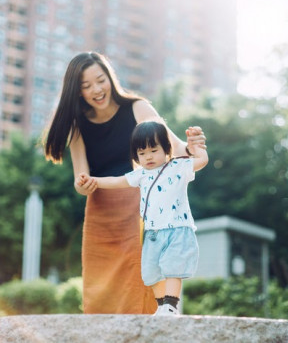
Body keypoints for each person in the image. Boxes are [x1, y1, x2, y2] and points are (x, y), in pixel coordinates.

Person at [44, 51, 207, 314]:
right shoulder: (77, 125)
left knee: (141, 277)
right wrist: (82, 185)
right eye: (86, 86)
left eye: (100, 80)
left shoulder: (138, 108)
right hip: (99, 211)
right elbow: (80, 176)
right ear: (77, 92)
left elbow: (175, 149)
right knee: (99, 286)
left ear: (110, 77)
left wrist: (194, 147)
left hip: (137, 207)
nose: (96, 89)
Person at [77, 120, 208, 315]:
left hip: (177, 229)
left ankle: (171, 306)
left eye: (153, 150)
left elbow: (202, 161)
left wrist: (196, 147)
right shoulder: (140, 175)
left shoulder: (178, 167)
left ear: (166, 149)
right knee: (151, 271)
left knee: (173, 267)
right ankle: (162, 306)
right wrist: (94, 180)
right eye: (142, 153)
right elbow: (117, 180)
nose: (148, 157)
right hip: (152, 233)